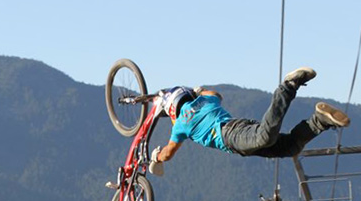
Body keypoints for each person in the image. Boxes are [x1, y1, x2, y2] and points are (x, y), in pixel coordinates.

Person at [148, 67, 350, 176]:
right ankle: (320, 121)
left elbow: (168, 153)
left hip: (230, 136)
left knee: (264, 137)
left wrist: (156, 158)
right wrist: (197, 90)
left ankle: (288, 86)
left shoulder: (181, 124)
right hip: (237, 132)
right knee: (289, 147)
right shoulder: (206, 100)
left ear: (171, 108)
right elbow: (216, 93)